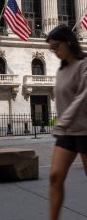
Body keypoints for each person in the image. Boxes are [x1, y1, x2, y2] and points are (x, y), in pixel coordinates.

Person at [46, 25, 87, 220]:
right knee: (55, 177)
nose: (54, 52)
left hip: (85, 130)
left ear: (69, 41)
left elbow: (83, 97)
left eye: (56, 46)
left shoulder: (84, 64)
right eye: (51, 49)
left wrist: (62, 122)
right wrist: (62, 123)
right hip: (67, 133)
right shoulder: (61, 70)